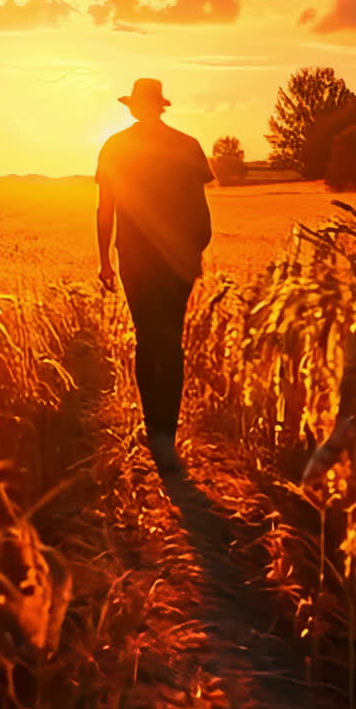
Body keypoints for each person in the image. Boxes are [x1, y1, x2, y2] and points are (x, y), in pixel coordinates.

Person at [96, 78, 214, 470]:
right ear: (160, 105)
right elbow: (201, 213)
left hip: (135, 258)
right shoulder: (187, 145)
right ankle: (168, 433)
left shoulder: (116, 146)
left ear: (134, 107)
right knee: (171, 342)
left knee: (148, 339)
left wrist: (104, 260)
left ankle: (155, 433)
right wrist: (192, 253)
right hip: (177, 260)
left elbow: (105, 209)